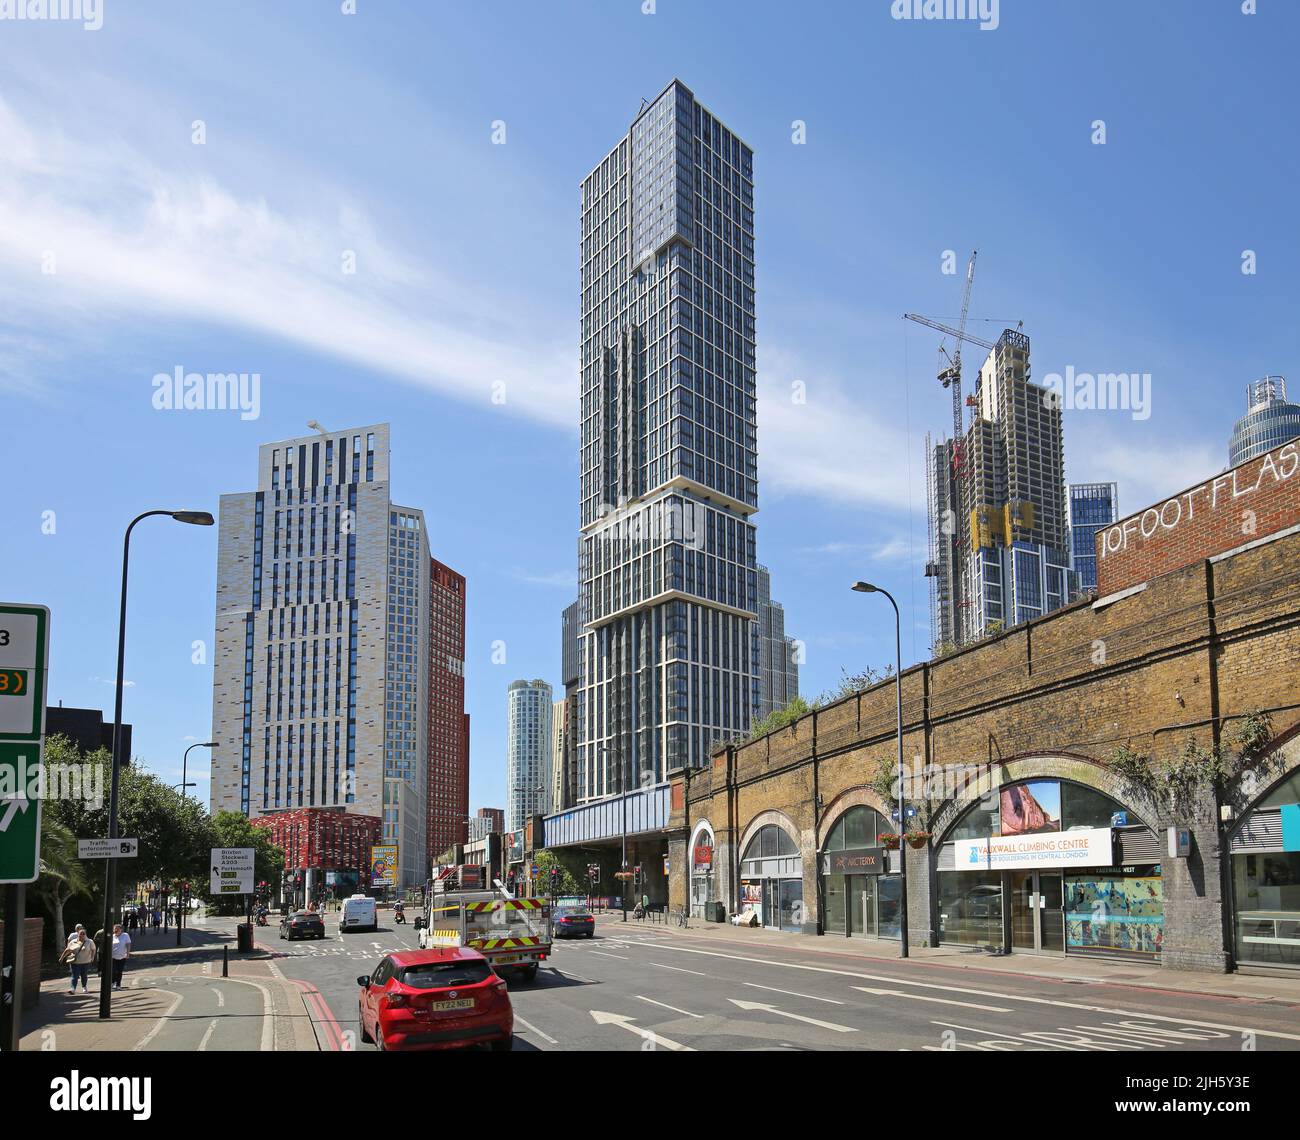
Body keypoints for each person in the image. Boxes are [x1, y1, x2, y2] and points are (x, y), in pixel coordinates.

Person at [60, 925, 96, 994]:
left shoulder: (89, 941)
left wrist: (92, 957)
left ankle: (84, 987)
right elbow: (67, 950)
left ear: (85, 935)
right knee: (75, 976)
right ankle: (73, 988)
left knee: (84, 976)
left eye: (83, 934)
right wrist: (62, 957)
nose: (82, 935)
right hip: (75, 962)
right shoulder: (73, 942)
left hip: (85, 962)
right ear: (78, 934)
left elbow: (93, 949)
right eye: (80, 934)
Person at [110, 923, 132, 990]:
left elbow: (128, 944)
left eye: (117, 929)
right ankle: (112, 982)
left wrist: (127, 953)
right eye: (115, 929)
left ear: (121, 930)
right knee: (113, 971)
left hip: (122, 956)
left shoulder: (125, 935)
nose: (116, 930)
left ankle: (118, 984)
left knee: (119, 971)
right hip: (113, 956)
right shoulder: (112, 936)